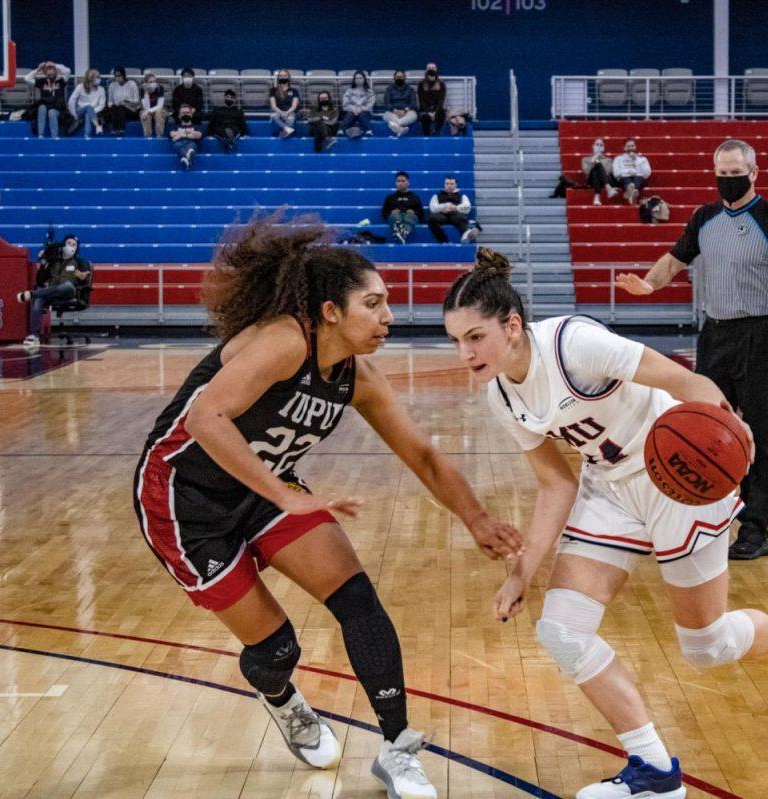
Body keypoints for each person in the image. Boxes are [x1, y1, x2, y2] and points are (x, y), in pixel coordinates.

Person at [133, 216, 522, 797]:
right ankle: (283, 698)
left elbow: (423, 454)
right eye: (374, 303)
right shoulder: (286, 340)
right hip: (182, 500)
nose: (389, 315)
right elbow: (204, 419)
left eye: (387, 303)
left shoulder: (356, 375)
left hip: (265, 488)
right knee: (276, 650)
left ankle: (397, 748)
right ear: (332, 311)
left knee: (360, 602)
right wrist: (286, 493)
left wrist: (476, 518)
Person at [444, 248, 768, 799]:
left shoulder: (573, 344)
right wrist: (520, 574)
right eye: (456, 340)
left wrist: (732, 442)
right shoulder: (501, 396)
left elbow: (686, 384)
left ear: (511, 324)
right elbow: (556, 485)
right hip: (610, 487)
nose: (465, 353)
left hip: (679, 475)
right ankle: (653, 770)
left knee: (706, 646)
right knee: (562, 631)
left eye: (475, 337)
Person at [616, 139, 768, 561]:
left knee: (760, 433)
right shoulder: (705, 217)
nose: (728, 180)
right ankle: (700, 521)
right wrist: (649, 284)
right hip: (715, 336)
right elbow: (673, 260)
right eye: (721, 173)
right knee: (701, 428)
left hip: (760, 336)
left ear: (754, 173)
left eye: (735, 172)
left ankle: (755, 530)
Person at [16, 235, 91, 348]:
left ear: (77, 248)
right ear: (63, 245)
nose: (71, 246)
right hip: (51, 292)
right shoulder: (53, 261)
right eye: (69, 243)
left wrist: (83, 277)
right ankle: (34, 336)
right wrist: (43, 264)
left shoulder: (79, 262)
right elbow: (40, 281)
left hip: (69, 293)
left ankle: (32, 294)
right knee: (39, 299)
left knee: (67, 285)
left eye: (74, 244)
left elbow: (86, 281)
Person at [25, 61, 70, 138]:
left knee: (52, 112)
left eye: (53, 74)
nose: (51, 76)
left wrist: (55, 65)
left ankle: (54, 137)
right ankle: (40, 134)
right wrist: (38, 69)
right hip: (45, 106)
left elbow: (67, 71)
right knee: (41, 107)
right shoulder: (42, 82)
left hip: (57, 108)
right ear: (45, 74)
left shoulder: (61, 81)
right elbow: (27, 78)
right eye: (49, 74)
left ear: (56, 72)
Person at [427, 176, 477, 243]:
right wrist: (443, 207)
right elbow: (432, 208)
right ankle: (444, 241)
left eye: (451, 184)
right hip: (442, 215)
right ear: (444, 185)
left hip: (456, 214)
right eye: (447, 184)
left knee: (461, 217)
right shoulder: (436, 195)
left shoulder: (462, 195)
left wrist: (456, 208)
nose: (449, 186)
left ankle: (466, 234)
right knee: (431, 219)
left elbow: (467, 207)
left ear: (456, 185)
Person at [381, 171, 425, 244]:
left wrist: (414, 212)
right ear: (395, 183)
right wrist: (391, 212)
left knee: (410, 216)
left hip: (410, 217)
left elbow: (421, 213)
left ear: (408, 183)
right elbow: (384, 212)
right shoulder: (390, 197)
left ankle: (401, 233)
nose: (400, 183)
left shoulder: (415, 197)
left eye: (403, 181)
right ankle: (402, 233)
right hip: (396, 217)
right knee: (394, 215)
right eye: (398, 181)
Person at [66, 68, 105, 138]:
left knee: (88, 113)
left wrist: (91, 111)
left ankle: (87, 135)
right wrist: (74, 114)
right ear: (91, 78)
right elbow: (71, 101)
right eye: (97, 77)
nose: (99, 79)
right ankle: (97, 126)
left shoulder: (101, 89)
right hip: (79, 111)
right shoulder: (80, 87)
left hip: (94, 112)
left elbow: (102, 105)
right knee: (88, 107)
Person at [207, 89, 249, 154]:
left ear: (235, 100)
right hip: (221, 127)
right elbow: (211, 122)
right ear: (224, 98)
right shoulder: (217, 110)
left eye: (231, 97)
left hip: (234, 127)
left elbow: (243, 123)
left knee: (232, 131)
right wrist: (209, 134)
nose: (229, 99)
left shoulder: (238, 111)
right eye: (227, 97)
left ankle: (228, 140)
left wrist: (245, 134)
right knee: (223, 131)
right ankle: (230, 141)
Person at [612, 139, 652, 206]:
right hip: (624, 179)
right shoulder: (618, 159)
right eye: (628, 146)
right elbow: (616, 173)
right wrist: (628, 171)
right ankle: (633, 194)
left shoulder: (642, 159)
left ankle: (630, 193)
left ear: (635, 147)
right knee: (626, 180)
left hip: (639, 179)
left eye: (632, 146)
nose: (630, 148)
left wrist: (636, 161)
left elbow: (647, 173)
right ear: (624, 148)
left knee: (638, 178)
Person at [102, 67, 140, 135]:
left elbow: (136, 101)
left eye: (119, 75)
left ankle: (121, 129)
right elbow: (109, 102)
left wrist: (125, 102)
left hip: (130, 110)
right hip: (116, 109)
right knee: (114, 108)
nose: (117, 77)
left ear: (124, 75)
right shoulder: (112, 85)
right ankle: (114, 129)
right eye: (116, 76)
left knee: (121, 107)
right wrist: (114, 105)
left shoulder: (132, 84)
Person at [581, 138, 618, 205]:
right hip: (591, 180)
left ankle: (597, 196)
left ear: (603, 148)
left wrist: (599, 161)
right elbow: (586, 171)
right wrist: (595, 158)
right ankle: (608, 188)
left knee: (598, 166)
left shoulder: (608, 160)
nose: (599, 146)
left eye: (601, 145)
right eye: (597, 144)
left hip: (606, 179)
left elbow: (608, 172)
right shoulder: (585, 159)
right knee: (595, 167)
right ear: (593, 146)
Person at [383, 69, 419, 137]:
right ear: (394, 78)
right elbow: (387, 102)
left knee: (414, 115)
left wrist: (405, 110)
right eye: (397, 77)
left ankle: (396, 125)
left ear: (405, 78)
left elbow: (413, 102)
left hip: (407, 112)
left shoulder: (410, 89)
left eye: (401, 77)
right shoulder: (389, 89)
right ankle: (400, 129)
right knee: (385, 115)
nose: (399, 78)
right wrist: (394, 110)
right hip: (393, 112)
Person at [340, 71, 375, 139]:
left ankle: (368, 130)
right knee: (350, 114)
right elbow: (345, 104)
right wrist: (353, 108)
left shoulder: (369, 92)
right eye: (356, 78)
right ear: (354, 80)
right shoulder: (349, 91)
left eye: (360, 78)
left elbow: (370, 105)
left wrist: (360, 109)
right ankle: (342, 130)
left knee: (362, 114)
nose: (358, 80)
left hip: (365, 112)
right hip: (351, 111)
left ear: (364, 79)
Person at [170, 104, 203, 170]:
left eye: (188, 113)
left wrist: (181, 135)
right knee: (178, 145)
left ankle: (184, 157)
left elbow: (199, 135)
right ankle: (188, 157)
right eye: (183, 113)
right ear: (179, 115)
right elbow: (172, 134)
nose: (186, 114)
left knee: (191, 145)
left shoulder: (197, 126)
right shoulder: (175, 126)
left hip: (191, 144)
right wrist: (190, 134)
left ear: (191, 114)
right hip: (178, 144)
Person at [417, 63, 446, 137]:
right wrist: (428, 112)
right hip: (425, 110)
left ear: (436, 70)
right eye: (429, 68)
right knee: (425, 117)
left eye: (433, 68)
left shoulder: (441, 84)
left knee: (441, 113)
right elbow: (421, 101)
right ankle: (427, 137)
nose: (431, 69)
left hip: (437, 110)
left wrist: (435, 112)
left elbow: (441, 101)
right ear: (426, 71)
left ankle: (437, 133)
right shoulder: (421, 84)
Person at [270, 70, 301, 138]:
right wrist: (281, 112)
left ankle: (284, 132)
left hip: (291, 112)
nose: (282, 77)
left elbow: (294, 106)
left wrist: (287, 112)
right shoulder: (273, 90)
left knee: (290, 119)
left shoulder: (294, 91)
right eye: (280, 76)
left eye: (284, 76)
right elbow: (273, 105)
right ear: (278, 78)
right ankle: (289, 129)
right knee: (273, 116)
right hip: (278, 111)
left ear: (288, 77)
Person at [140, 72, 168, 139]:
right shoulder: (142, 90)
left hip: (159, 110)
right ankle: (148, 136)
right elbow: (146, 107)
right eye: (151, 82)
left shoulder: (160, 88)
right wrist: (146, 92)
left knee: (159, 112)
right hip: (148, 110)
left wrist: (148, 111)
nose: (153, 83)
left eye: (155, 81)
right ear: (146, 83)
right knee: (144, 113)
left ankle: (159, 136)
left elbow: (160, 105)